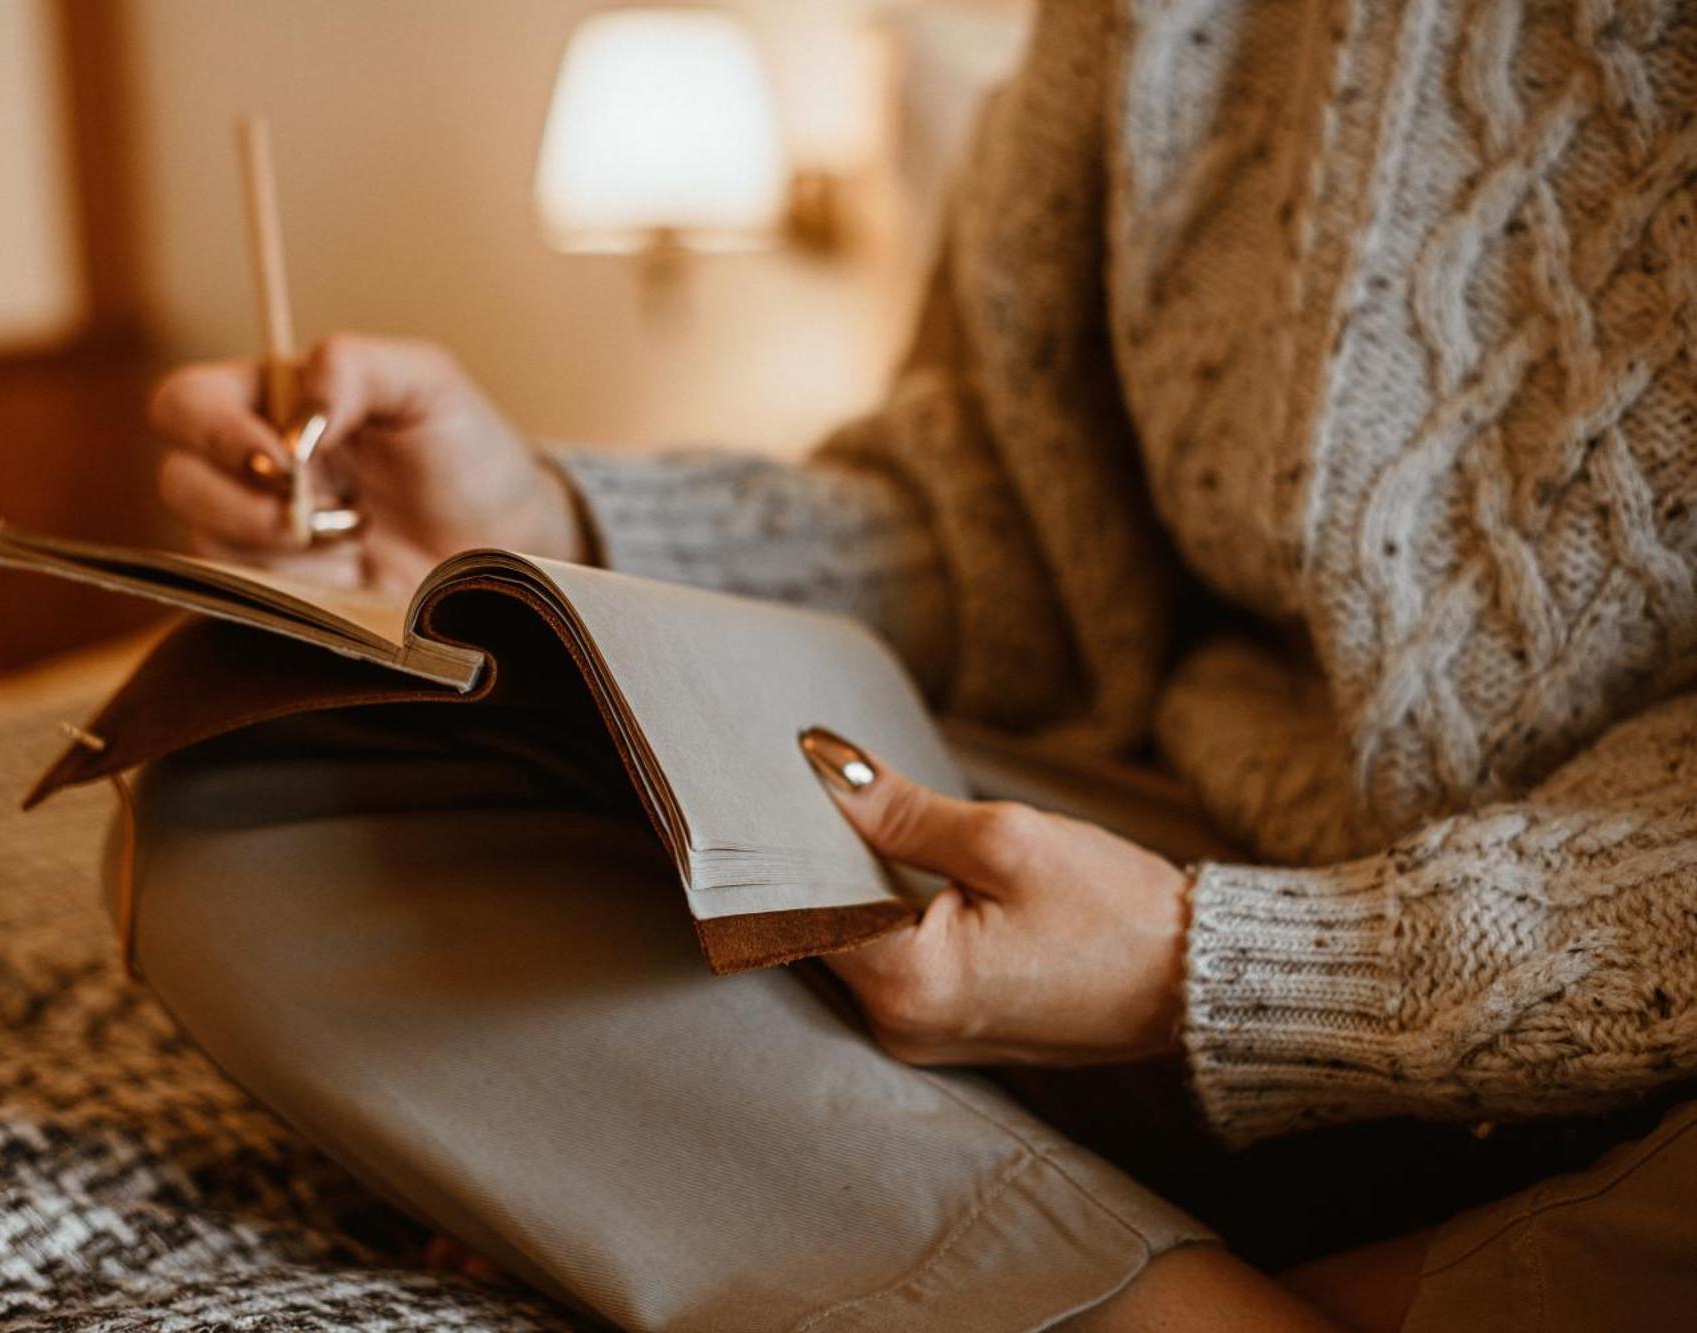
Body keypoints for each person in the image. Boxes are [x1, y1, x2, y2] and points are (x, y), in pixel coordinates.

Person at [146, 3, 1697, 1328]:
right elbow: (1017, 536)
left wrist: (1213, 966)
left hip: (1623, 1032)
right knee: (266, 793)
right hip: (1153, 856)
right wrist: (548, 514)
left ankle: (978, 1245)